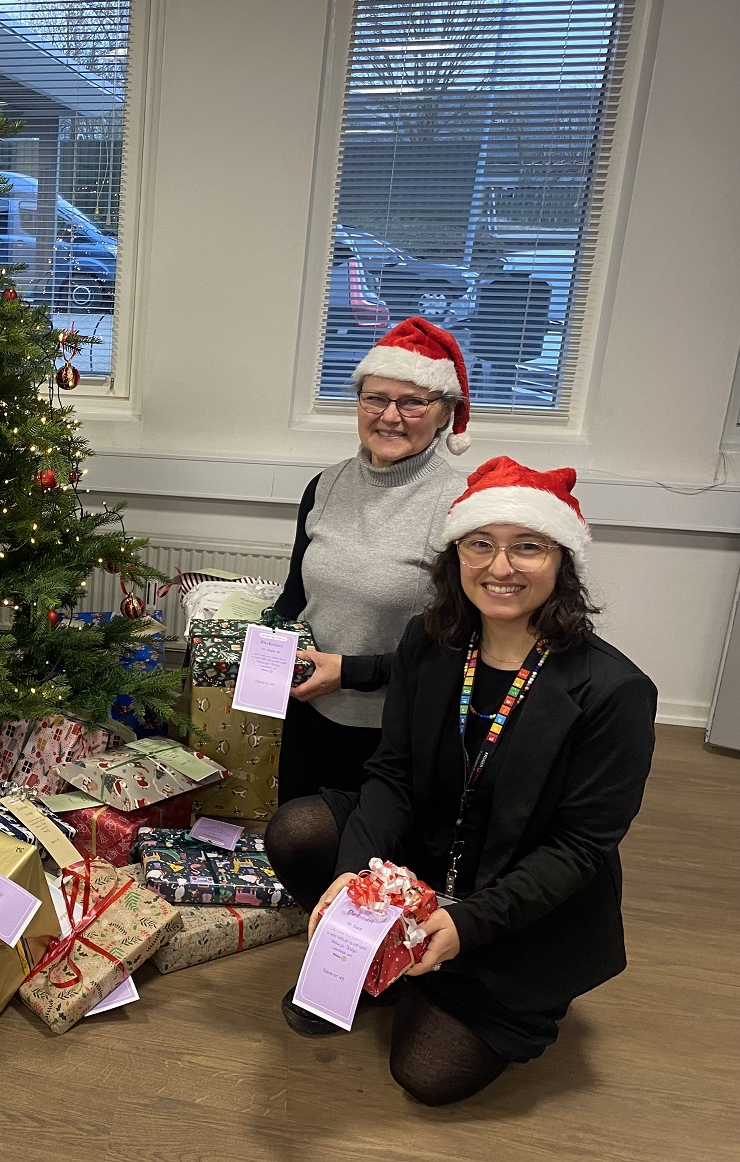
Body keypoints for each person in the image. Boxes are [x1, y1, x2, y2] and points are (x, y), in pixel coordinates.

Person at [265, 457, 657, 1105]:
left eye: (527, 546)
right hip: (430, 855)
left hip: (519, 899)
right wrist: (353, 870)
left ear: (562, 561)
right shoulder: (429, 643)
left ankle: (439, 972)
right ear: (456, 555)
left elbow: (578, 849)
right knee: (299, 829)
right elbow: (392, 773)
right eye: (480, 544)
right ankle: (387, 959)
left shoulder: (613, 692)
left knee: (426, 1076)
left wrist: (467, 925)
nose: (500, 567)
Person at [274, 317, 470, 804]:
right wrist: (261, 653)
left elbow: (459, 642)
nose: (390, 416)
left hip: (397, 728)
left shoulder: (462, 506)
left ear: (445, 413)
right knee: (295, 834)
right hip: (310, 710)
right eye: (375, 398)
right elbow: (296, 595)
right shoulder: (326, 485)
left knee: (370, 847)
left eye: (412, 402)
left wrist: (352, 673)